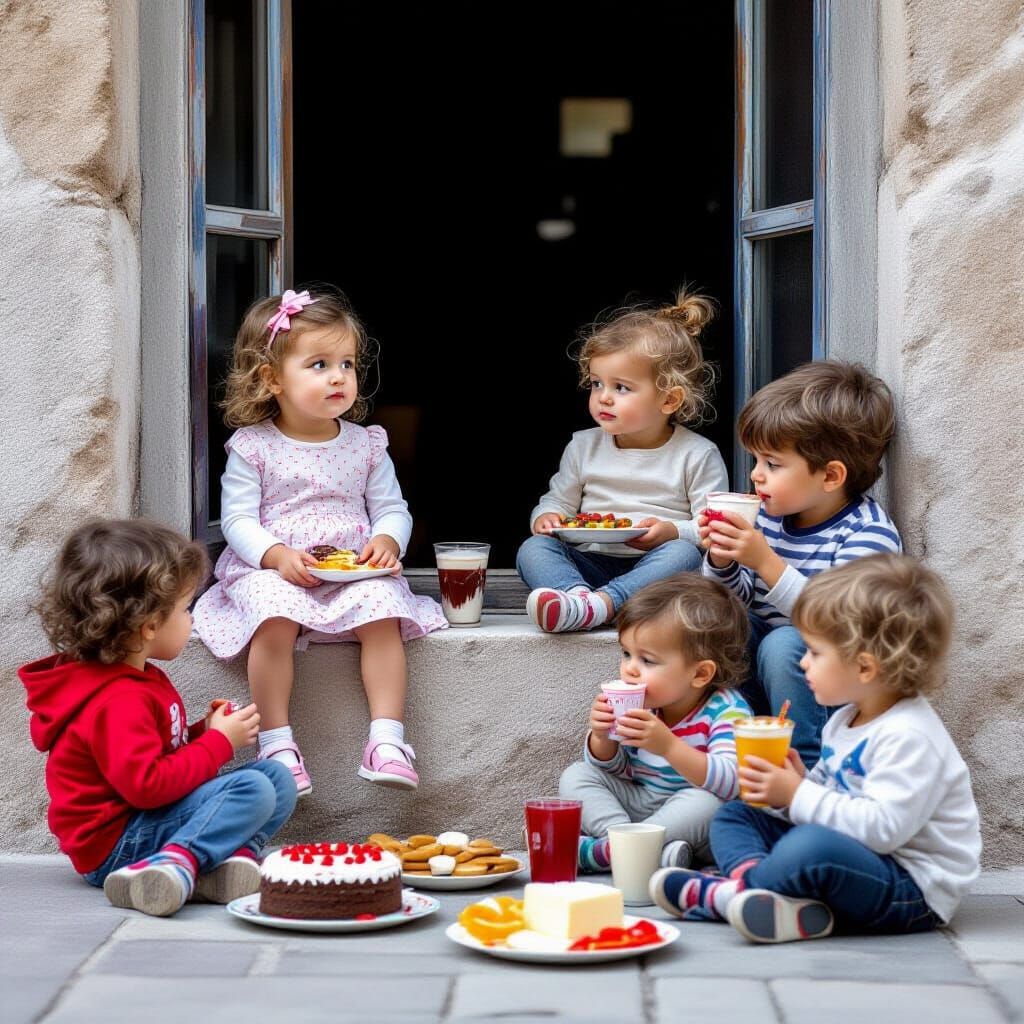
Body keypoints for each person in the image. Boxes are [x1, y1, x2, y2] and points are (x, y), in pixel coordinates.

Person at [192, 286, 446, 796]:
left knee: (382, 612)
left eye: (347, 364)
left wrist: (387, 540)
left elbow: (393, 507)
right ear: (271, 379)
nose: (339, 376)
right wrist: (275, 554)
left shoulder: (367, 443)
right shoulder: (254, 446)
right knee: (273, 615)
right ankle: (278, 743)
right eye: (319, 364)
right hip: (276, 569)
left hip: (351, 569)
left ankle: (388, 739)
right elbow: (237, 519)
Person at [650, 554, 981, 943]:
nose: (803, 663)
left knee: (812, 847)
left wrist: (797, 793)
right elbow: (830, 797)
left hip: (909, 887)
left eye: (815, 652)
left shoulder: (909, 736)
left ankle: (731, 892)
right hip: (852, 858)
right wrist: (794, 786)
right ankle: (763, 893)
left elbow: (881, 832)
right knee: (737, 815)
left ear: (865, 667)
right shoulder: (846, 719)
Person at [19, 518, 296, 917]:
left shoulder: (139, 677)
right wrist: (219, 743)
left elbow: (159, 753)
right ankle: (173, 864)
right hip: (118, 844)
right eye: (185, 609)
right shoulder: (115, 700)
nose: (192, 618)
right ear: (149, 626)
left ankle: (226, 862)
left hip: (146, 821)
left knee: (277, 779)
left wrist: (203, 730)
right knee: (253, 790)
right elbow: (147, 787)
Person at [700, 360, 900, 764]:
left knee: (784, 643)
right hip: (769, 678)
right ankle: (724, 742)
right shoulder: (771, 517)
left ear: (830, 476)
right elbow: (742, 603)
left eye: (772, 464)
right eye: (755, 460)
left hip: (832, 686)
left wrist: (765, 560)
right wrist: (723, 561)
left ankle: (806, 768)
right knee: (716, 623)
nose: (756, 475)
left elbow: (840, 627)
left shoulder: (866, 534)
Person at [518, 289, 729, 633]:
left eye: (622, 388)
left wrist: (671, 532)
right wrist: (547, 516)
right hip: (589, 562)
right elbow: (557, 500)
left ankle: (602, 604)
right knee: (533, 549)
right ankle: (579, 598)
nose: (604, 397)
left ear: (669, 400)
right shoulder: (583, 445)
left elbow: (710, 528)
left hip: (655, 568)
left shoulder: (697, 454)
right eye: (597, 383)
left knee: (685, 556)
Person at [559, 575, 752, 870]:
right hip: (640, 803)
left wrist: (668, 746)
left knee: (707, 805)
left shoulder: (725, 711)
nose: (630, 670)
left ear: (700, 674)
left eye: (647, 660)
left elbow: (731, 783)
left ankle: (603, 853)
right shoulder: (645, 706)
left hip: (688, 817)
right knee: (577, 774)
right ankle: (637, 850)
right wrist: (602, 738)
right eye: (626, 654)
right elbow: (622, 771)